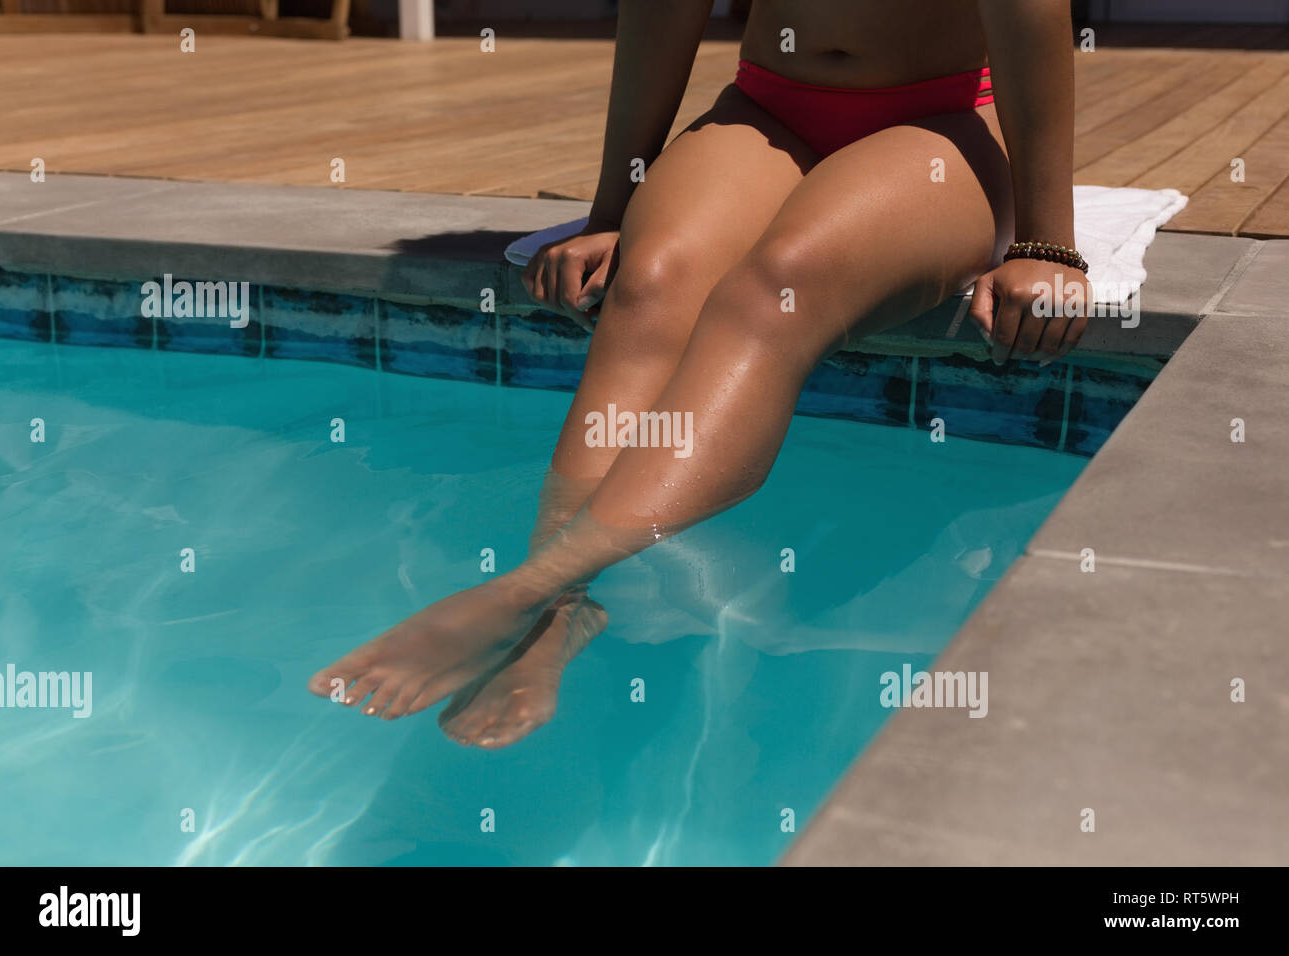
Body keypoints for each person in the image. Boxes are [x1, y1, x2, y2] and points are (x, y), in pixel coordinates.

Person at [309, 0, 1090, 747]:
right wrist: (613, 210)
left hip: (937, 120)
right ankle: (559, 615)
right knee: (650, 283)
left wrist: (1048, 246)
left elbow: (1030, 11)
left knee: (776, 289)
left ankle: (524, 589)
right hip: (768, 109)